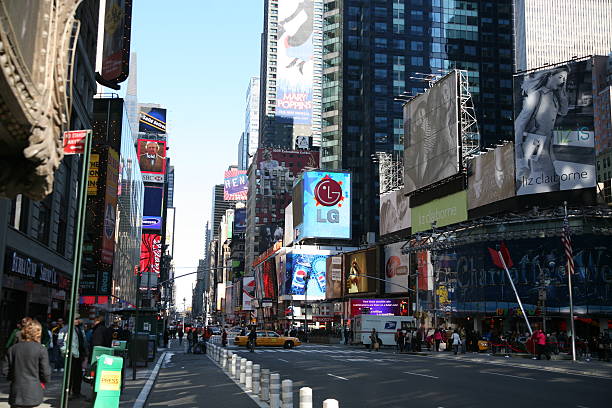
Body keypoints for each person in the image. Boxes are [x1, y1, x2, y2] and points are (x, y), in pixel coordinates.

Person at [514, 66, 569, 194]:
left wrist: (562, 94)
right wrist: (518, 151)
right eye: (560, 77)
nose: (562, 81)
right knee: (552, 179)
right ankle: (558, 207)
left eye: (564, 79)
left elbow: (564, 111)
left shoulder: (554, 96)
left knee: (524, 174)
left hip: (545, 144)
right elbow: (520, 123)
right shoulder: (537, 94)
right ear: (550, 76)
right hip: (535, 143)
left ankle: (507, 197)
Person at [7, 319, 51, 408]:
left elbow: (5, 370)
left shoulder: (13, 349)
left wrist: (14, 377)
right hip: (33, 391)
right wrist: (43, 382)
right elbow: (45, 373)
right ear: (38, 333)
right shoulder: (41, 350)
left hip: (16, 391)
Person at [59, 314, 88, 398]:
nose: (77, 320)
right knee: (69, 375)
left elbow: (83, 342)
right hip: (71, 355)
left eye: (78, 319)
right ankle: (67, 394)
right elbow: (60, 342)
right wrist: (66, 353)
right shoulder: (66, 329)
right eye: (76, 319)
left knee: (78, 375)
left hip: (79, 355)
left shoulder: (80, 328)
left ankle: (76, 392)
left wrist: (85, 353)